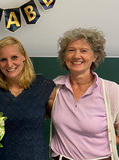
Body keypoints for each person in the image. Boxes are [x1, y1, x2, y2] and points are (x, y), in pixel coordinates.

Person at [50, 28, 119, 160]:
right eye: (71, 50)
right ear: (64, 57)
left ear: (95, 57)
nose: (76, 56)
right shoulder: (55, 87)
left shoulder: (112, 90)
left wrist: (104, 140)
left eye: (84, 50)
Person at [0, 36, 56, 160]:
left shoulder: (45, 88)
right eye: (3, 59)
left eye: (14, 57)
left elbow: (61, 123)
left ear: (24, 56)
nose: (9, 64)